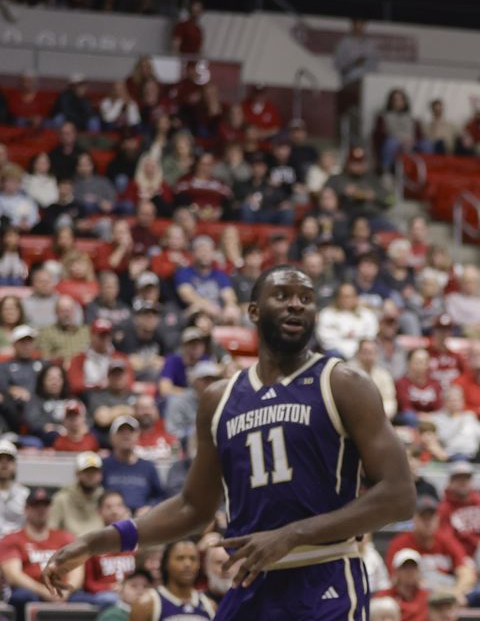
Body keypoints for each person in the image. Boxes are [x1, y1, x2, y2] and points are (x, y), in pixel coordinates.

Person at [43, 265, 416, 619]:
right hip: (251, 584)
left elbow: (400, 495)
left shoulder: (343, 384)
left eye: (306, 297)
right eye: (282, 295)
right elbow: (193, 507)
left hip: (324, 575)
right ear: (253, 311)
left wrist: (292, 535)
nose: (296, 304)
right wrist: (96, 542)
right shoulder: (220, 399)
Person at [0, 488, 81, 616]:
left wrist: (66, 591)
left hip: (63, 591)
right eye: (36, 505)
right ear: (26, 509)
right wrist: (45, 591)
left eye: (45, 505)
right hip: (31, 592)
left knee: (86, 599)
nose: (41, 509)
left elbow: (77, 569)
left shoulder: (66, 537)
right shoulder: (12, 539)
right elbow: (13, 575)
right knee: (22, 597)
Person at [384, 496, 476, 605]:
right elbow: (397, 579)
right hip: (418, 597)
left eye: (431, 517)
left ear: (438, 519)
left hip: (450, 592)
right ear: (414, 519)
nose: (428, 522)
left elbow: (466, 571)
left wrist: (456, 592)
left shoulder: (447, 541)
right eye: (423, 517)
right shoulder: (400, 544)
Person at [132, 540, 216, 620]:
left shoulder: (210, 606)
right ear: (166, 563)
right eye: (180, 558)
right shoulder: (146, 604)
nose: (188, 564)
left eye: (193, 559)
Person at [79, 491, 136, 609]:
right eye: (108, 507)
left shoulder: (138, 542)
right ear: (99, 512)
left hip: (134, 592)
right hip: (107, 595)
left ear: (125, 509)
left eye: (119, 506)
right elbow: (88, 584)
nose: (114, 511)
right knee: (110, 599)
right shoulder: (92, 544)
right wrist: (110, 588)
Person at [102, 415, 166, 514]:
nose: (126, 435)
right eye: (121, 431)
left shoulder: (148, 467)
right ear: (112, 437)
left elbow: (160, 496)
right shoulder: (104, 465)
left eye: (131, 431)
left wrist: (149, 507)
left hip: (142, 520)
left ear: (137, 436)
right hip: (111, 519)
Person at [49, 451, 106, 537]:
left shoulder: (105, 499)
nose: (91, 476)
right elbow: (51, 529)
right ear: (77, 474)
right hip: (70, 546)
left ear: (100, 475)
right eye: (86, 472)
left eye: (94, 472)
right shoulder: (62, 499)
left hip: (100, 547)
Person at [0, 440, 29, 535]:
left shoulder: (25, 494)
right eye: (0, 459)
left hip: (16, 545)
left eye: (9, 460)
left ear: (15, 465)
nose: (4, 464)